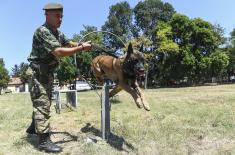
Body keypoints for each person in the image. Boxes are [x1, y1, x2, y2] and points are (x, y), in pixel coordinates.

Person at [26, 3, 92, 153]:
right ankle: (43, 141)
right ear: (46, 15)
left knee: (44, 103)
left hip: (47, 74)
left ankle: (32, 129)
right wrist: (81, 48)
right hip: (37, 74)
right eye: (57, 16)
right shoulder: (42, 31)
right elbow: (59, 52)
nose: (60, 19)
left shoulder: (57, 33)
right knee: (42, 105)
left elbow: (68, 43)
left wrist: (82, 44)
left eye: (61, 16)